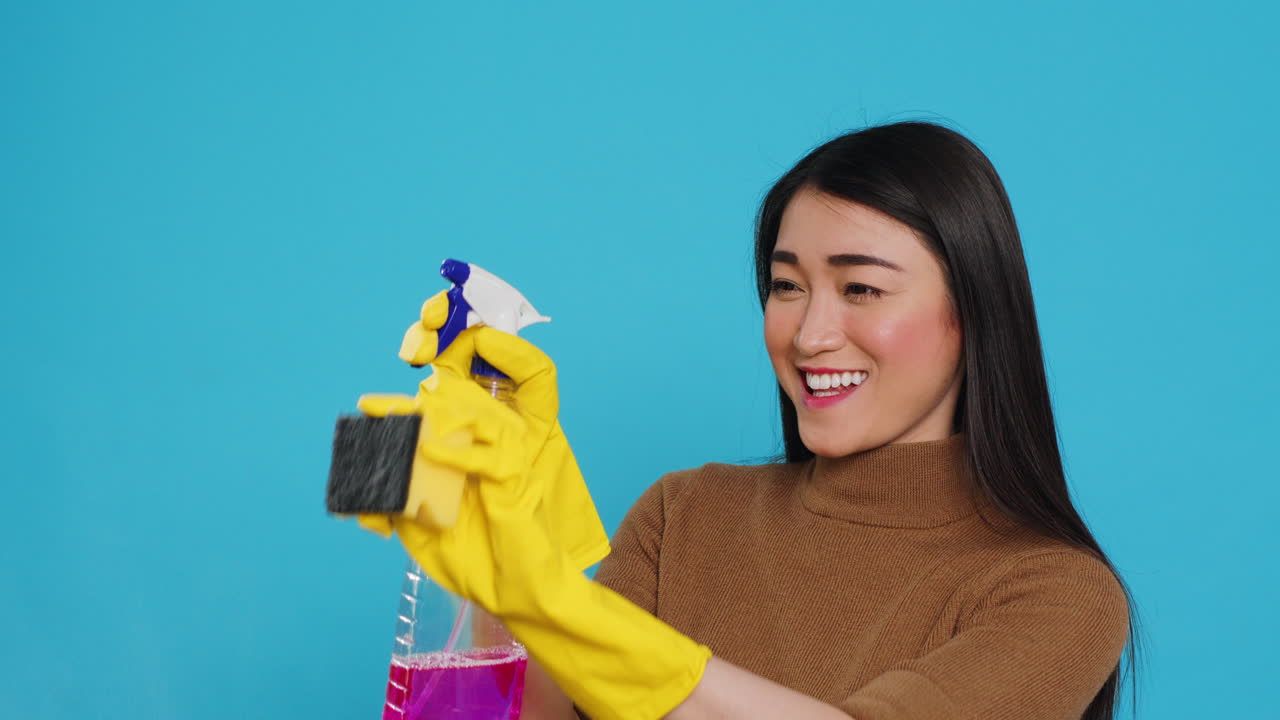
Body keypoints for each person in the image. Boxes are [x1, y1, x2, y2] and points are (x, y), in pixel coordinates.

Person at [366, 121, 1135, 720]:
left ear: (973, 311)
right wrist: (508, 546)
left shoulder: (1056, 595)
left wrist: (553, 601)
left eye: (861, 289)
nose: (808, 335)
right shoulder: (686, 514)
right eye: (785, 285)